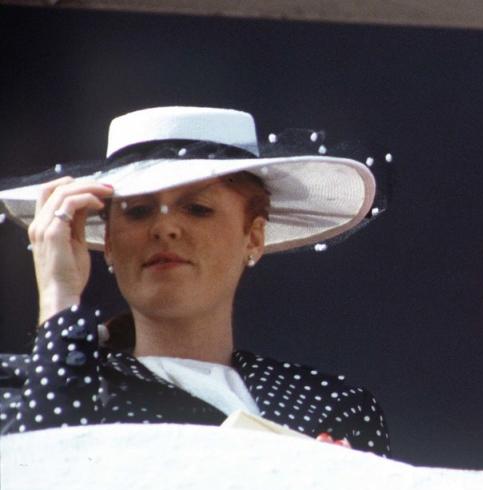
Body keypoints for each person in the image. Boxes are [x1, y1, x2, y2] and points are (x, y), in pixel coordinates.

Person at [0, 106, 390, 456]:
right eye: (137, 211)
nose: (165, 226)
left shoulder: (329, 405)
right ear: (110, 245)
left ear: (252, 236)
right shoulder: (27, 384)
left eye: (198, 208)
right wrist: (58, 299)